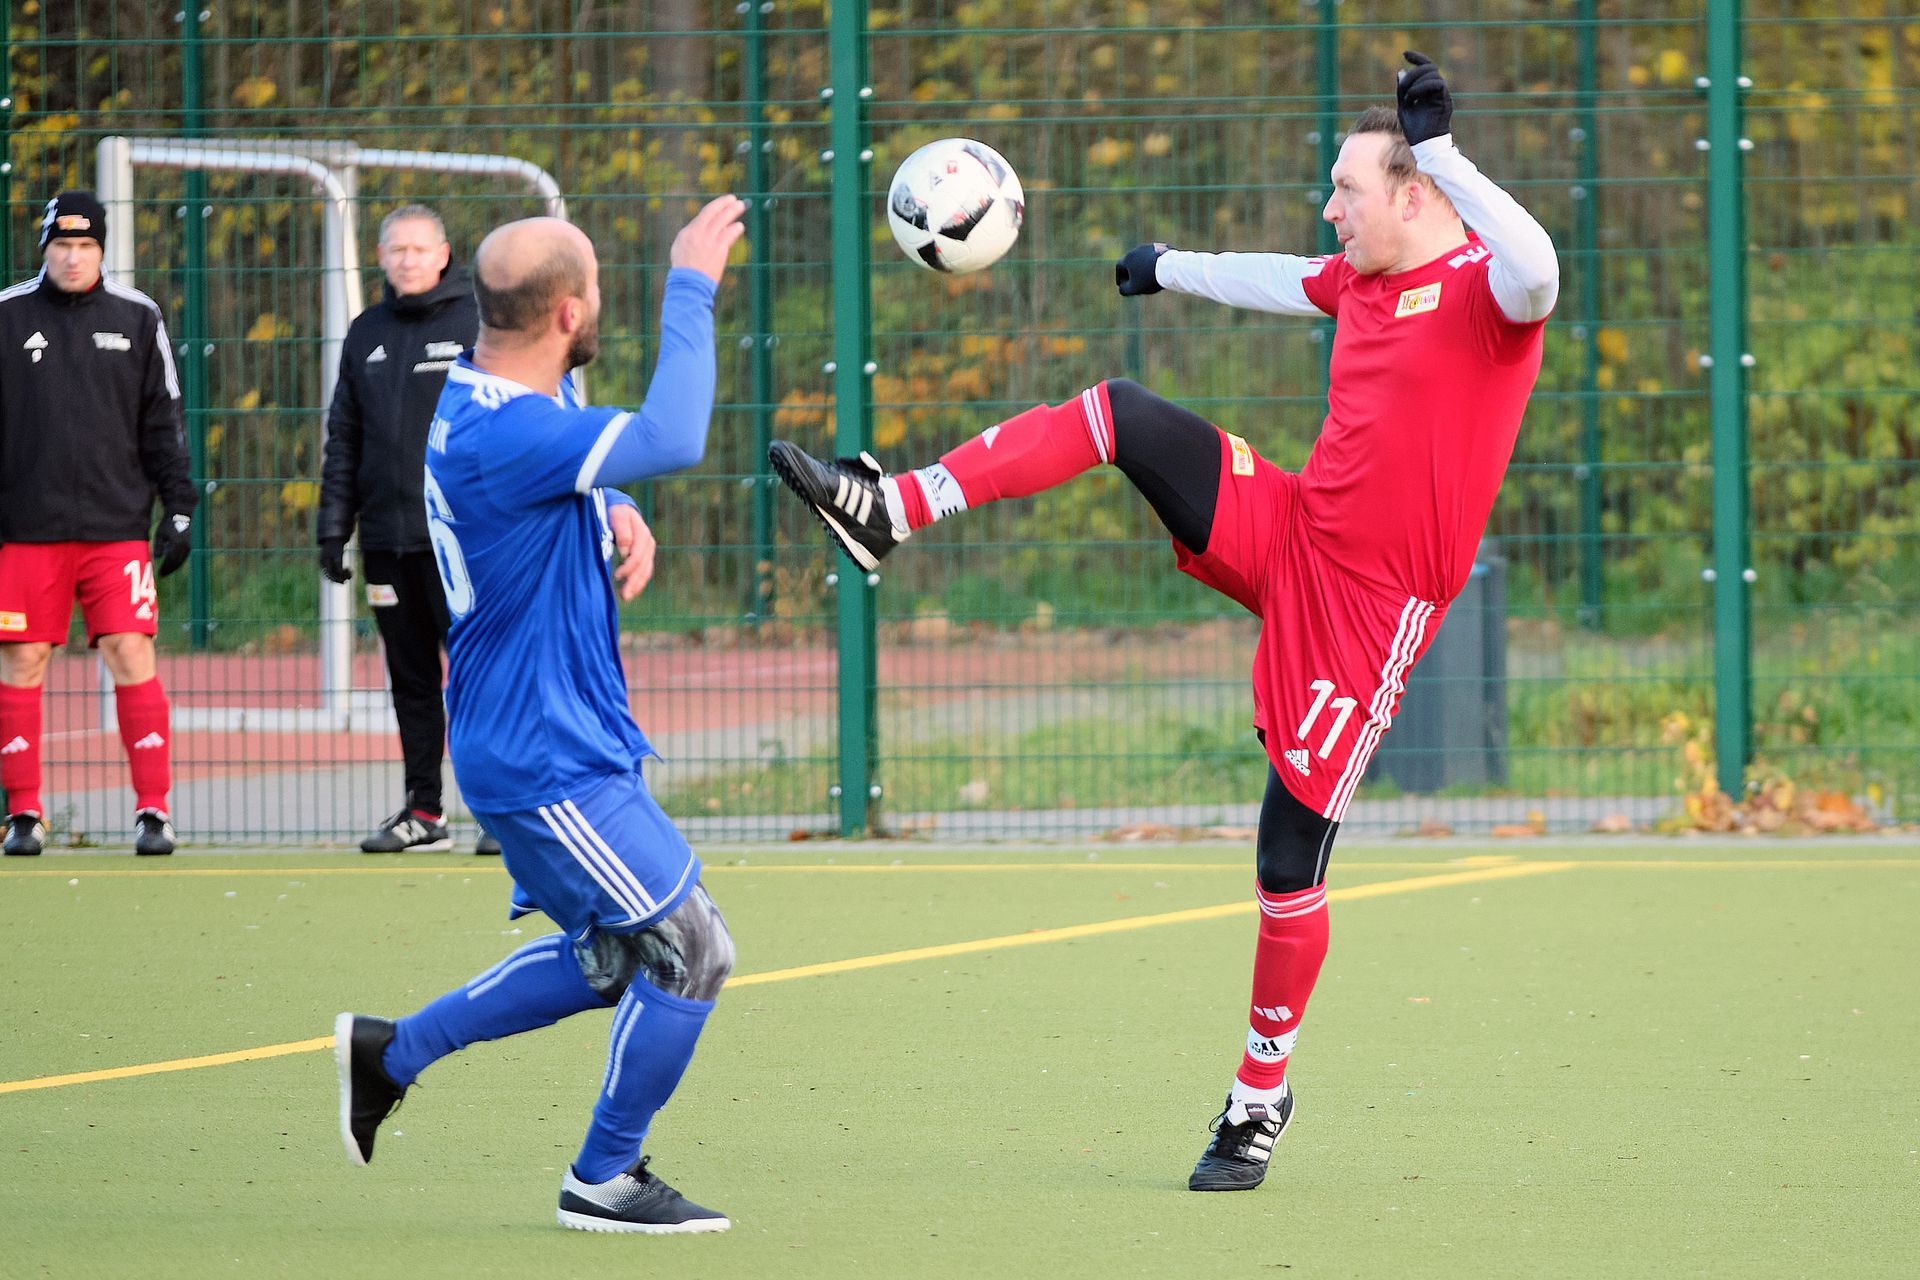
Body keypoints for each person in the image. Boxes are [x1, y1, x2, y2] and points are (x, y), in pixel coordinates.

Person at [767, 53, 1558, 1191]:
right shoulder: (1361, 278)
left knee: (1286, 860)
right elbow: (1280, 278)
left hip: (1369, 616)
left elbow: (1541, 266)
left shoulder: (1492, 293)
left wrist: (1442, 149)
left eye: (1348, 188)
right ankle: (891, 508)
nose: (1330, 208)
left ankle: (1259, 1094)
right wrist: (1169, 267)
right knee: (1120, 412)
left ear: (1415, 194)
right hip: (1293, 528)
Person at [334, 194, 748, 1233]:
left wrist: (617, 505)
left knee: (613, 959)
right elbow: (672, 434)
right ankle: (603, 1176)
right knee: (695, 949)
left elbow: (568, 461)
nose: (600, 302)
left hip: (552, 737)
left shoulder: (503, 387)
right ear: (569, 313)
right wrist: (690, 287)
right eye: (594, 289)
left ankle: (393, 1052)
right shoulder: (509, 427)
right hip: (542, 755)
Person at [0, 190, 199, 857]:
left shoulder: (137, 316)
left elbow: (164, 419)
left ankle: (154, 811)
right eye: (63, 245)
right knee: (23, 659)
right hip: (26, 530)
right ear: (44, 248)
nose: (74, 257)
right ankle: (24, 815)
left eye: (86, 246)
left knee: (130, 651)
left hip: (116, 529)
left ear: (102, 250)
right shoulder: (7, 315)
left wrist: (179, 505)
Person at [317, 204, 500, 855]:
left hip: (464, 543)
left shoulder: (478, 323)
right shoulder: (366, 331)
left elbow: (508, 424)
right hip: (388, 545)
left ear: (443, 255)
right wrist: (333, 526)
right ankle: (424, 811)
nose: (408, 260)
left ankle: (500, 814)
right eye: (397, 250)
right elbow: (345, 436)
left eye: (420, 249)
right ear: (382, 257)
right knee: (411, 682)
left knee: (481, 677)